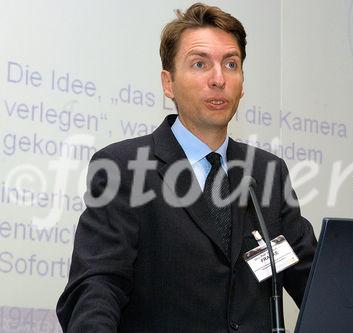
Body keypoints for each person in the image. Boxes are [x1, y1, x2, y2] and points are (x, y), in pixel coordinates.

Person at [57, 3, 317, 332]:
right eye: (199, 64)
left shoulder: (267, 173)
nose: (219, 79)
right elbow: (97, 286)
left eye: (231, 64)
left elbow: (313, 281)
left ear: (242, 82)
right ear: (168, 84)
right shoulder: (124, 168)